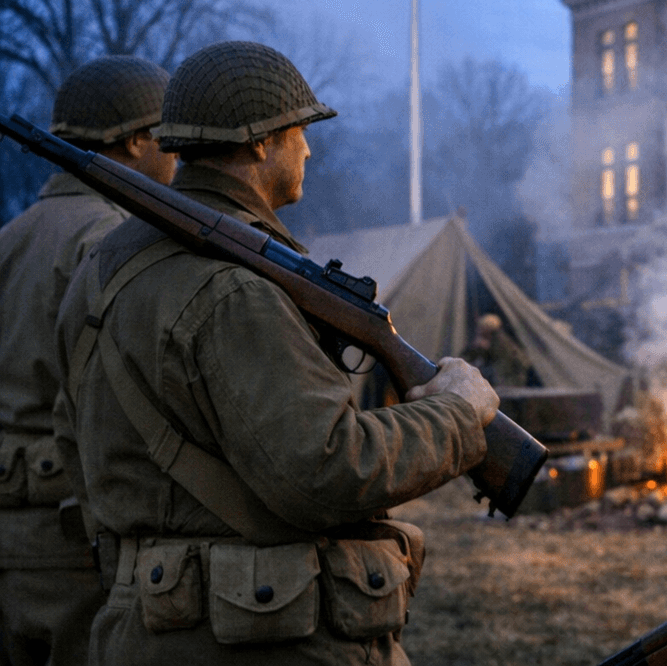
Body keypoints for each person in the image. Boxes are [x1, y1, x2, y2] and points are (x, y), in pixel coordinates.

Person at [52, 40, 500, 664]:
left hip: (143, 626)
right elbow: (329, 469)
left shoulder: (102, 268)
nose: (309, 148)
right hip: (256, 642)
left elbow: (70, 439)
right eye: (299, 131)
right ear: (261, 142)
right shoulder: (237, 288)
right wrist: (457, 412)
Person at [0, 57, 176, 666]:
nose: (176, 158)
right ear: (135, 142)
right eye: (167, 139)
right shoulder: (113, 241)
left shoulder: (11, 236)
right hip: (77, 533)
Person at [460, 313, 531, 389]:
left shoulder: (501, 343)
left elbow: (502, 367)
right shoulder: (489, 341)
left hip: (506, 383)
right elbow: (465, 358)